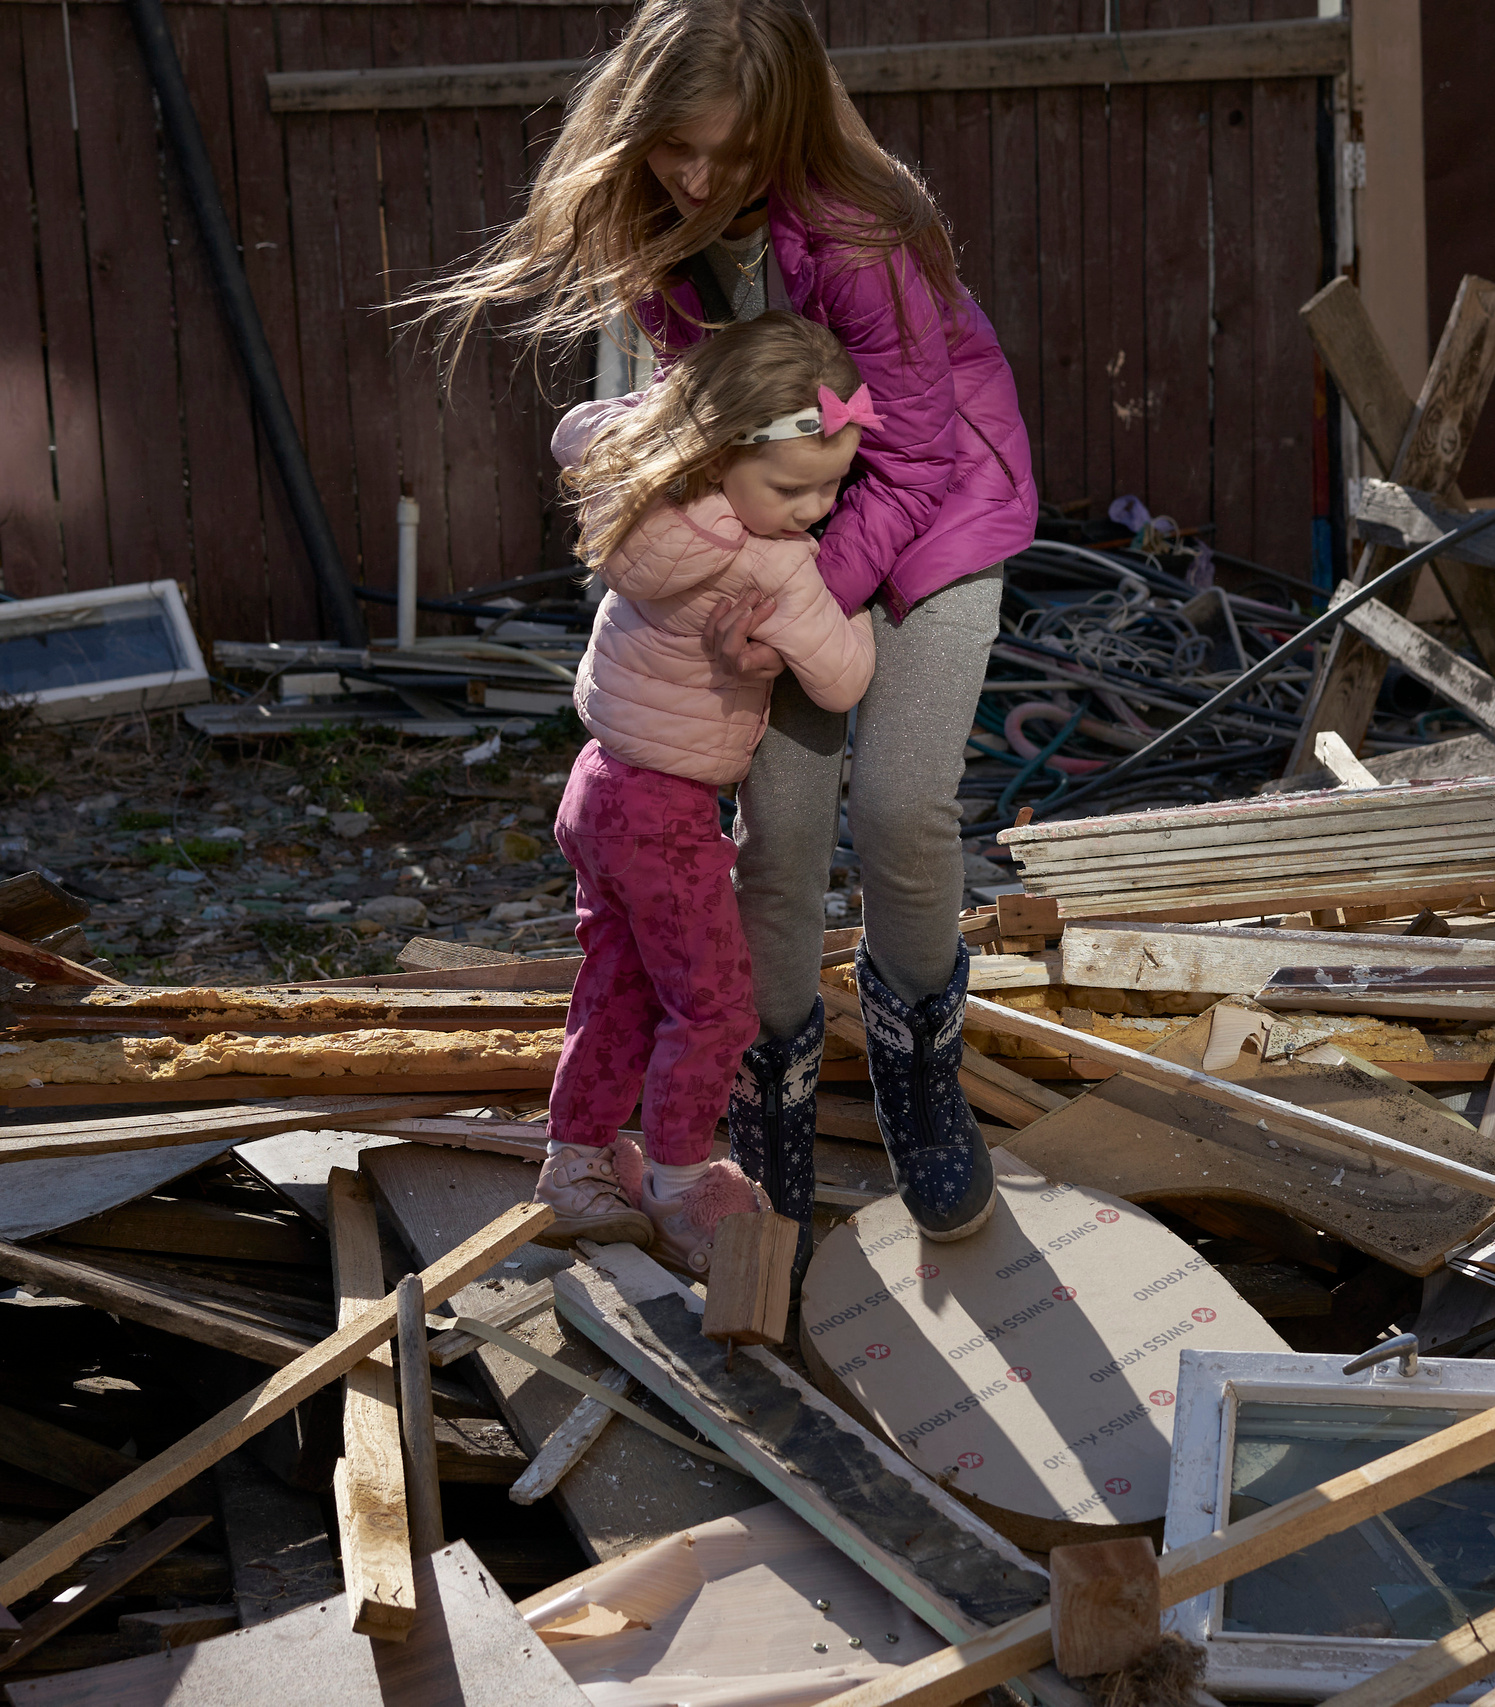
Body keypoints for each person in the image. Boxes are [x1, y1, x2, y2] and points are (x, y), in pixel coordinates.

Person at [414, 0, 1036, 1268]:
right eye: (673, 146)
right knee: (783, 828)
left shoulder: (861, 235)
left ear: (788, 128)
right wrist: (697, 535)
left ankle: (920, 1059)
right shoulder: (664, 229)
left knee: (903, 807)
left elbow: (910, 459)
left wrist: (785, 597)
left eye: (730, 154)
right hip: (784, 528)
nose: (698, 178)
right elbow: (689, 413)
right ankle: (769, 1087)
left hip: (937, 504)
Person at [530, 313, 877, 1278]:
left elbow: (572, 425)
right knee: (718, 1004)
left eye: (832, 485)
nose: (813, 507)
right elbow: (844, 677)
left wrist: (667, 416)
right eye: (793, 485)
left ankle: (576, 1162)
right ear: (726, 453)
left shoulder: (641, 481)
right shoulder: (766, 560)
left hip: (598, 786)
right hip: (669, 811)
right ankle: (682, 1186)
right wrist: (839, 629)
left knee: (621, 984)